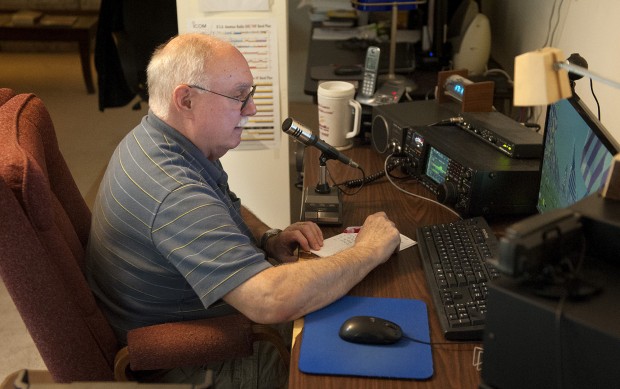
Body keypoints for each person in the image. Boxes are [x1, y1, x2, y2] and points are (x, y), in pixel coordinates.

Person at [86, 33, 401, 388]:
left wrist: (268, 238)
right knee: (356, 371)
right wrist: (368, 250)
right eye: (239, 97)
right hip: (191, 358)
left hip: (201, 322)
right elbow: (269, 301)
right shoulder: (173, 192)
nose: (251, 109)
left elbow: (221, 205)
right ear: (185, 99)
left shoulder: (159, 139)